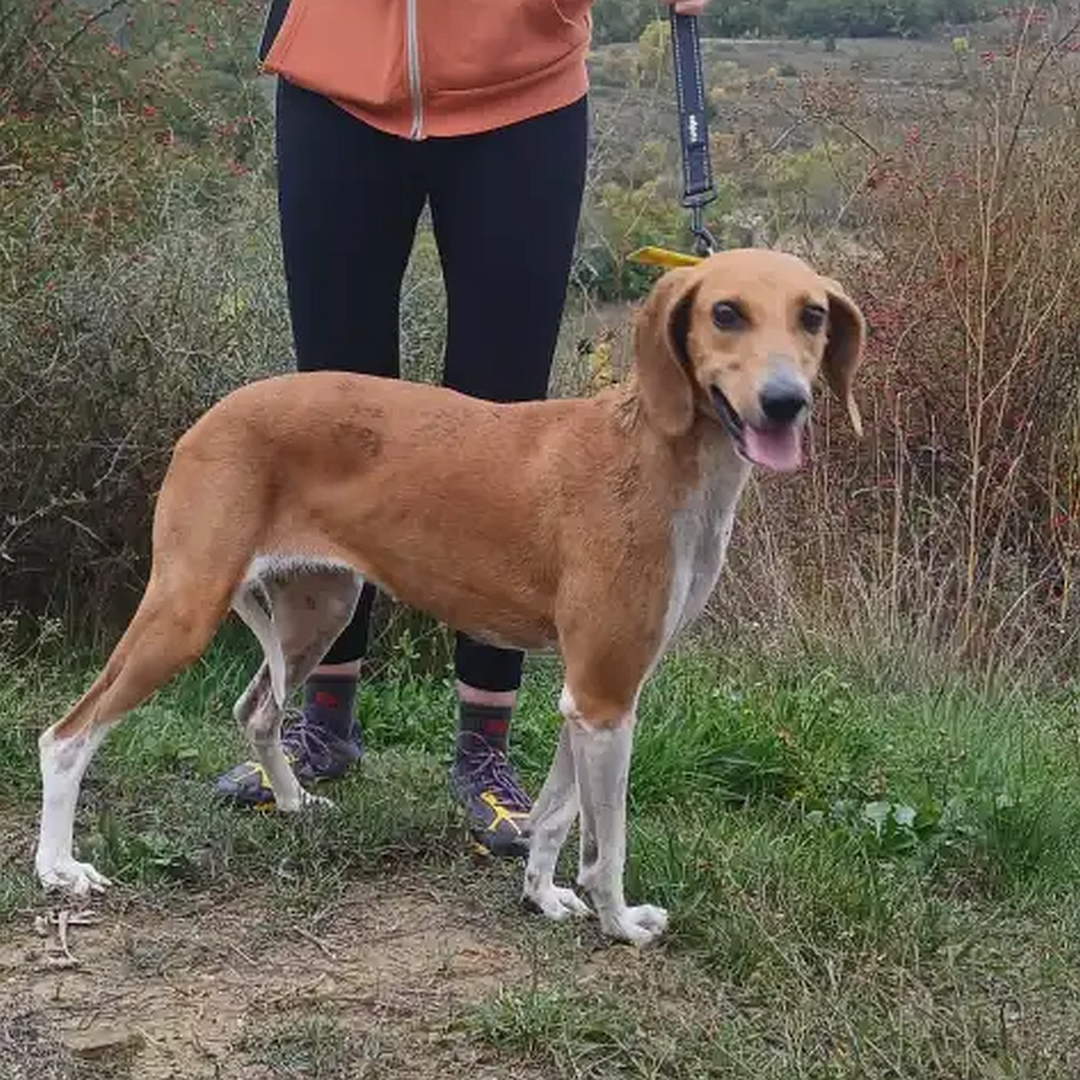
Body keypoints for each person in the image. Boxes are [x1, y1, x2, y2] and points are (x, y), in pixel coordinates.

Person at [215, 0, 708, 856]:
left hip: (523, 91)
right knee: (337, 421)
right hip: (334, 81)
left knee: (508, 419)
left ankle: (484, 750)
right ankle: (320, 725)